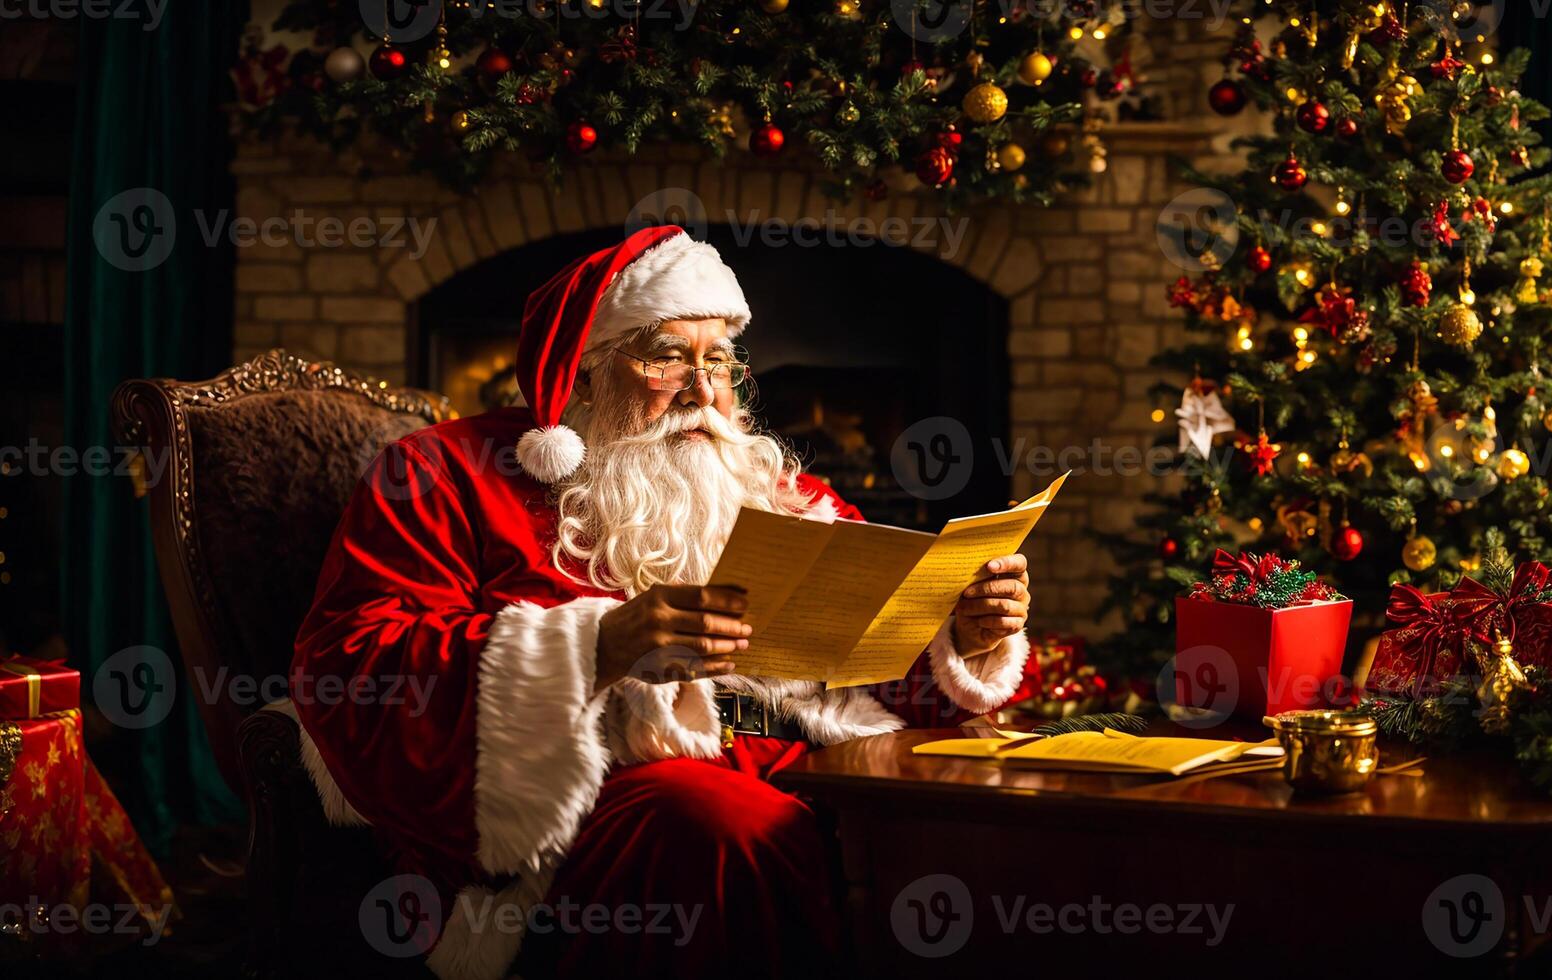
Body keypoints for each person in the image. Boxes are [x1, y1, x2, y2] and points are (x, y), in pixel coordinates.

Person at [287, 226, 1037, 979]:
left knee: (972, 820)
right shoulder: (441, 473)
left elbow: (879, 674)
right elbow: (354, 667)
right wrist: (597, 648)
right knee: (722, 825)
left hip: (806, 766)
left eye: (717, 360)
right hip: (592, 799)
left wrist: (963, 640)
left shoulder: (782, 495)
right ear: (581, 374)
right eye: (668, 355)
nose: (704, 390)